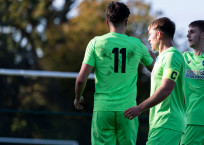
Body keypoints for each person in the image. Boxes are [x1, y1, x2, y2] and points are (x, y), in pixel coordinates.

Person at [74, 1, 155, 145]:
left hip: (103, 109)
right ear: (126, 21)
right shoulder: (136, 44)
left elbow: (81, 79)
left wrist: (78, 97)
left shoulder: (95, 43)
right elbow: (155, 71)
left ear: (107, 21)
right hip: (128, 110)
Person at [124, 17, 186, 145]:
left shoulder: (172, 56)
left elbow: (166, 88)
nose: (148, 39)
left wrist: (139, 108)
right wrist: (154, 63)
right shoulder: (163, 58)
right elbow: (161, 80)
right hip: (160, 122)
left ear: (158, 34)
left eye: (150, 34)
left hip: (168, 121)